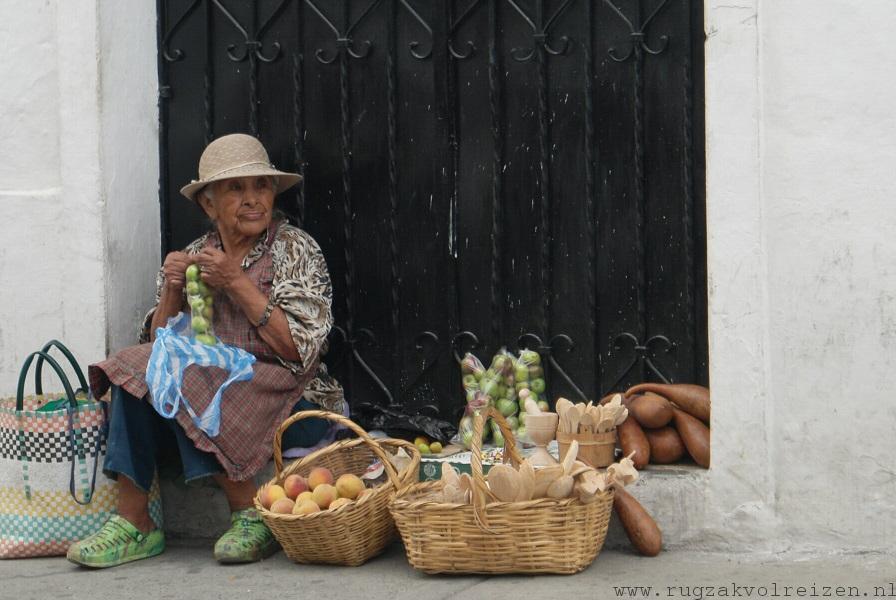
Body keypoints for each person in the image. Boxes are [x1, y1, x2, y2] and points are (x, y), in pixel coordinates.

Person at [67, 133, 344, 567]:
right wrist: (172, 293)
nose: (253, 199)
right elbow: (157, 349)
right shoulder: (196, 255)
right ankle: (134, 523)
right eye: (236, 189)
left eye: (261, 186)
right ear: (209, 205)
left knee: (187, 375)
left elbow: (299, 351)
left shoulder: (295, 249)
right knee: (136, 367)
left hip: (288, 399)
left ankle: (250, 509)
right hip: (208, 390)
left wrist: (235, 281)